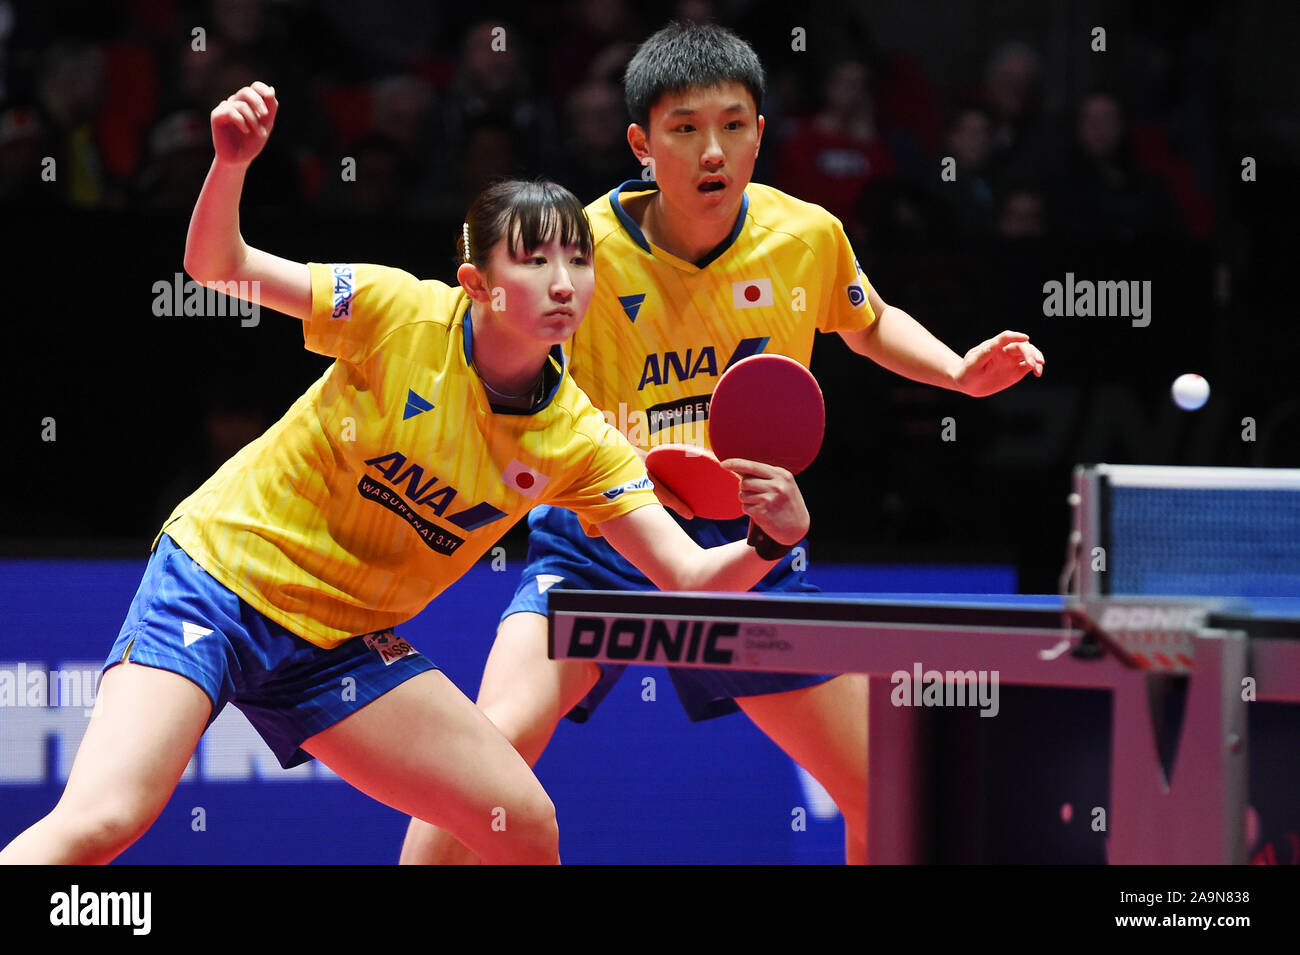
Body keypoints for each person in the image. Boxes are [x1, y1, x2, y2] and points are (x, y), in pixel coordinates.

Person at [0, 81, 812, 865]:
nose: (564, 281)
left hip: (340, 642)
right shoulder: (395, 315)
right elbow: (218, 266)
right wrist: (233, 163)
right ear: (478, 285)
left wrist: (771, 540)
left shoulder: (576, 440)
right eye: (534, 261)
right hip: (220, 581)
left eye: (578, 258)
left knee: (522, 820)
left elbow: (690, 580)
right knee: (106, 818)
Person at [400, 22, 1045, 866]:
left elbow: (869, 320)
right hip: (604, 541)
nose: (715, 150)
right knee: (483, 771)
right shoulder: (580, 253)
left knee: (887, 791)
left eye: (735, 125)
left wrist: (958, 373)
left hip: (744, 547)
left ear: (761, 134)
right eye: (686, 128)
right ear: (640, 142)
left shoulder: (805, 235)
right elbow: (498, 367)